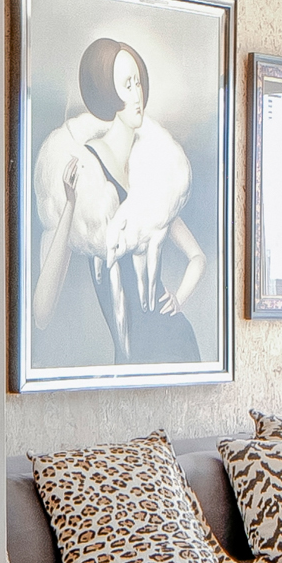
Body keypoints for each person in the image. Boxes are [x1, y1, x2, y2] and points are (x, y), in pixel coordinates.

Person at [33, 36, 207, 370]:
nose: (137, 95)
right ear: (106, 92)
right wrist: (70, 205)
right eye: (126, 85)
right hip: (132, 359)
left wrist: (179, 299)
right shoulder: (86, 168)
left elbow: (198, 258)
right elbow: (42, 312)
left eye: (138, 82)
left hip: (176, 344)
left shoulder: (153, 175)